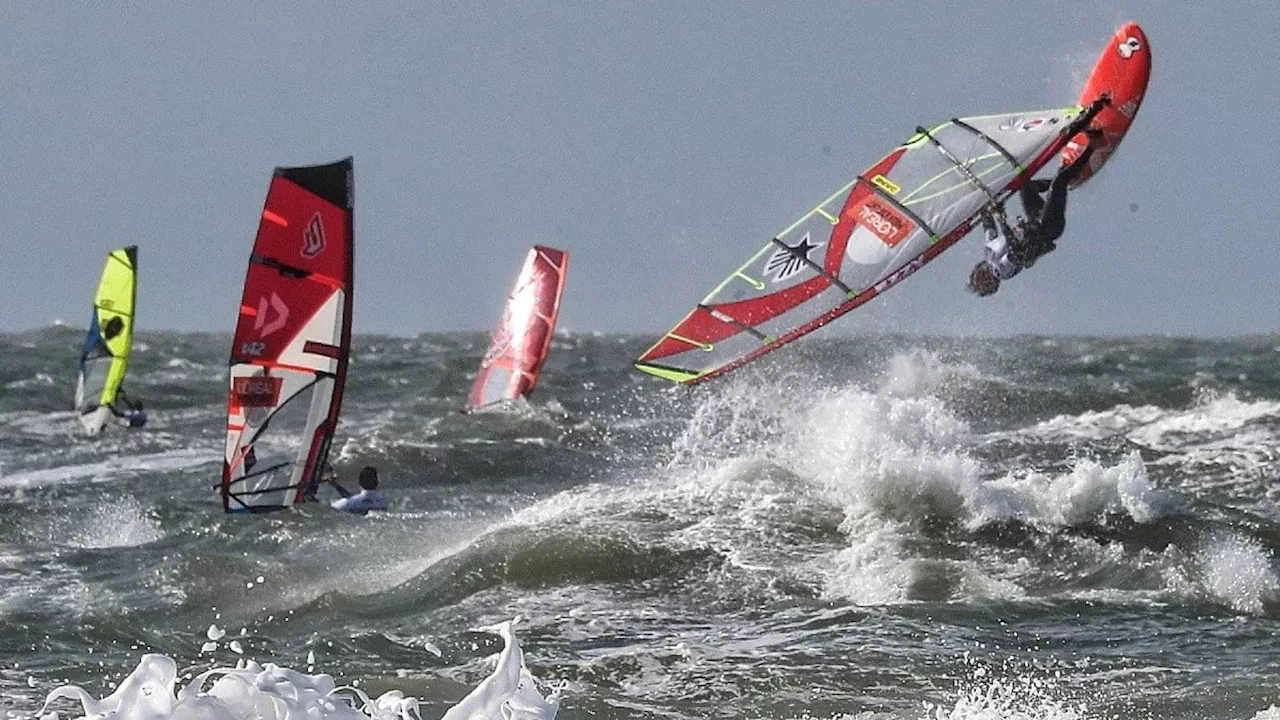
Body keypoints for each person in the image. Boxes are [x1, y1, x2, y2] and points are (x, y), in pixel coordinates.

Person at [967, 128, 1102, 297]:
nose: (981, 277)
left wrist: (982, 203)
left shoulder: (989, 250)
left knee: (1026, 185)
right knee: (1058, 184)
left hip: (1034, 218)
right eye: (982, 283)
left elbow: (987, 222)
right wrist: (1001, 220)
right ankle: (1094, 145)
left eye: (977, 277)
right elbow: (1016, 251)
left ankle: (1070, 177)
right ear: (992, 285)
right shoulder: (1004, 271)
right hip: (1048, 228)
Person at [324, 465, 388, 515]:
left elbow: (332, 507)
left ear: (359, 483)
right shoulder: (382, 500)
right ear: (377, 482)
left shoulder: (352, 502)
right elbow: (355, 498)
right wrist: (337, 486)